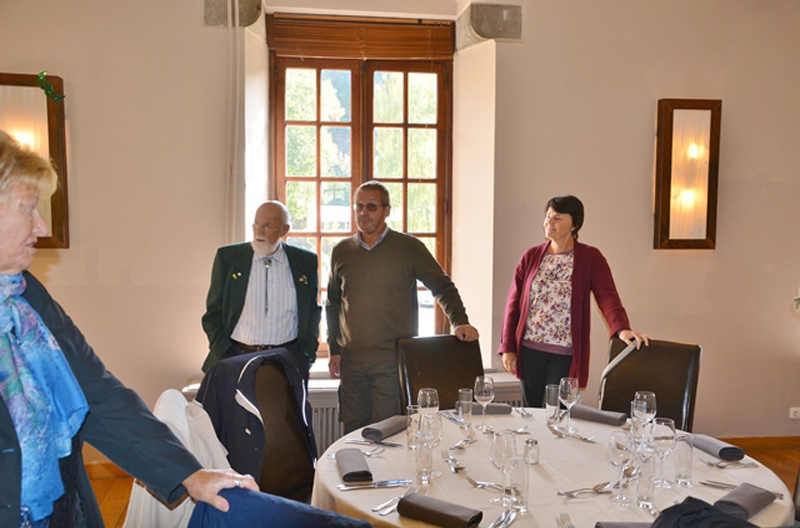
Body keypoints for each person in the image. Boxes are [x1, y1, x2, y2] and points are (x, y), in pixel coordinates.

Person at [0, 130, 258, 528]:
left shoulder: (26, 294)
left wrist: (189, 474)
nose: (41, 226)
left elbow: (98, 394)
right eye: (28, 208)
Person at [326, 181, 479, 433]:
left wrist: (459, 320)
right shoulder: (341, 251)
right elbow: (333, 303)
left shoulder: (409, 248)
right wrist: (334, 349)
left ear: (387, 210)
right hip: (352, 363)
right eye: (358, 206)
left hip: (392, 362)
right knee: (353, 432)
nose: (364, 212)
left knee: (389, 432)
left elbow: (442, 286)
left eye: (371, 207)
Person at [497, 195, 651, 407]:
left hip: (565, 354)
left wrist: (622, 329)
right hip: (529, 351)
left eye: (557, 217)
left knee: (559, 413)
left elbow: (607, 296)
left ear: (575, 224)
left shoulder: (590, 257)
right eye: (548, 216)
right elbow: (513, 304)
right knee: (531, 414)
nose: (549, 222)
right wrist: (508, 347)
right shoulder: (530, 256)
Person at [201, 201, 320, 381]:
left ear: (284, 230)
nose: (259, 231)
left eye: (268, 226)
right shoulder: (229, 258)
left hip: (287, 360)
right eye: (256, 223)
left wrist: (306, 353)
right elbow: (213, 313)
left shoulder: (304, 261)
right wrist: (223, 352)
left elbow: (312, 311)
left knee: (285, 402)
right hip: (237, 358)